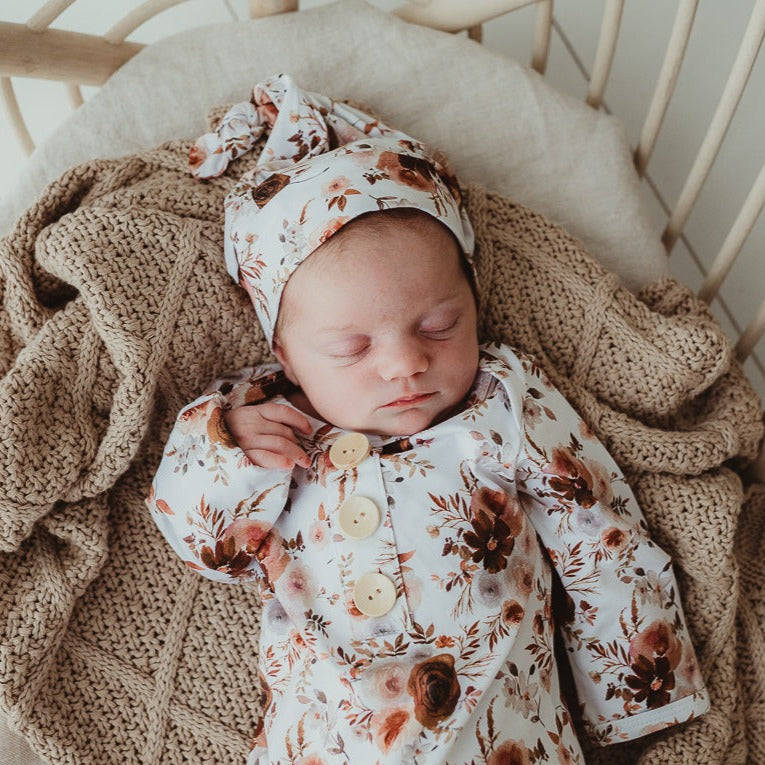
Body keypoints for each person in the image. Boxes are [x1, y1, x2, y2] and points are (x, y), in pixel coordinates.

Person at [146, 74, 709, 764]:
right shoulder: (266, 423)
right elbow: (202, 541)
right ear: (284, 354)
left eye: (440, 325)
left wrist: (634, 702)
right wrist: (228, 450)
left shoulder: (502, 405)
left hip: (504, 736)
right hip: (328, 740)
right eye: (352, 347)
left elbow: (600, 533)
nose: (405, 363)